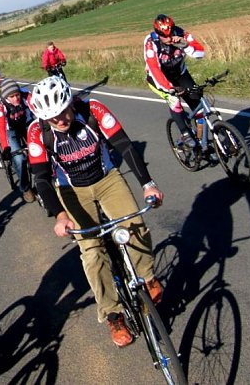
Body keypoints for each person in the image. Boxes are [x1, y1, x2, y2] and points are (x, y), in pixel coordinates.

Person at [26, 75, 164, 348]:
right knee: (91, 252)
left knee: (133, 226)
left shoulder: (93, 110)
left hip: (106, 179)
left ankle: (147, 277)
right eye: (53, 119)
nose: (61, 121)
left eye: (63, 112)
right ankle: (112, 314)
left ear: (70, 103)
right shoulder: (37, 132)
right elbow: (41, 178)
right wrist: (60, 215)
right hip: (72, 191)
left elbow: (124, 145)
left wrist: (148, 185)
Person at [144, 14, 213, 157]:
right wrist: (169, 88)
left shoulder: (182, 34)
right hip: (159, 79)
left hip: (180, 74)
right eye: (164, 37)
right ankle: (185, 133)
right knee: (174, 101)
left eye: (170, 35)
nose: (169, 39)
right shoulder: (151, 42)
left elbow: (200, 53)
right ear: (157, 34)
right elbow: (154, 69)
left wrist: (185, 45)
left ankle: (201, 144)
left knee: (197, 103)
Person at [0, 78, 35, 202]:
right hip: (9, 130)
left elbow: (37, 111)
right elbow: (1, 129)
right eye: (12, 96)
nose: (16, 98)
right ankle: (25, 188)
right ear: (6, 97)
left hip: (25, 123)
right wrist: (5, 147)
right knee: (19, 158)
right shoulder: (0, 107)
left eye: (17, 95)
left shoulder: (26, 95)